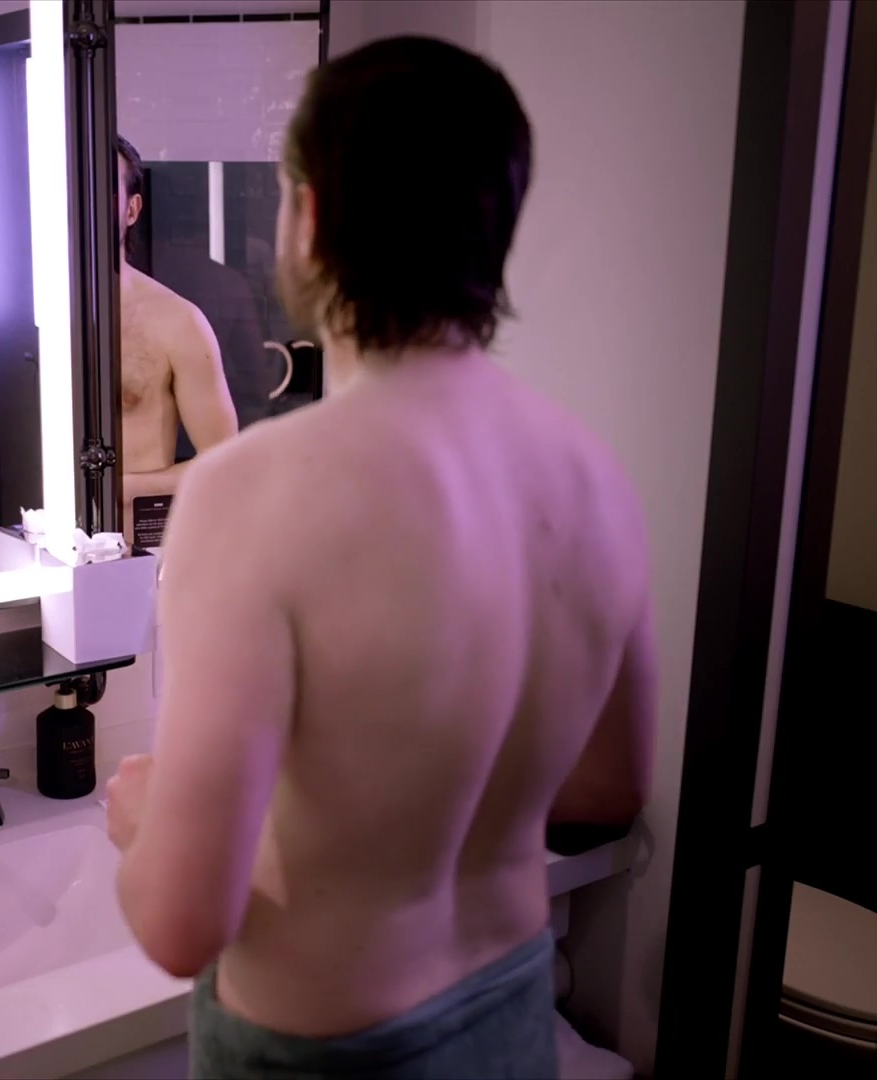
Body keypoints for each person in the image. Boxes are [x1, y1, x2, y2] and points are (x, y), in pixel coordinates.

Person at [104, 37, 656, 1079]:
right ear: (497, 223)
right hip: (508, 1013)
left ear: (309, 218)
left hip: (323, 1051)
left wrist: (145, 826)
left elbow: (181, 926)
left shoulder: (252, 492)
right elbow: (609, 785)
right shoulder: (592, 474)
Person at [114, 135, 239, 538]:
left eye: (102, 190)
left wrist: (112, 487)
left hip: (133, 550)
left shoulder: (176, 322)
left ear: (131, 209)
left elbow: (223, 462)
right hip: (38, 543)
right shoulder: (28, 321)